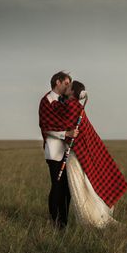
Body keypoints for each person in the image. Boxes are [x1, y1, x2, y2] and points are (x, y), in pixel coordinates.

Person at [50, 81, 127, 228]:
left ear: (73, 92)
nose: (66, 88)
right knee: (84, 185)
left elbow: (65, 126)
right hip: (77, 152)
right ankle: (93, 217)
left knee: (79, 186)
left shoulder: (72, 106)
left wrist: (66, 133)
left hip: (75, 153)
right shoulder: (77, 106)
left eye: (68, 86)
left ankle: (90, 220)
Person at [38, 71, 79, 230]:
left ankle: (64, 221)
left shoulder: (66, 101)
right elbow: (46, 127)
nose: (69, 86)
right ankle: (55, 223)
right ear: (57, 82)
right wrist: (66, 133)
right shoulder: (46, 101)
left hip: (69, 152)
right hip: (54, 152)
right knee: (57, 186)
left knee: (68, 189)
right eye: (67, 83)